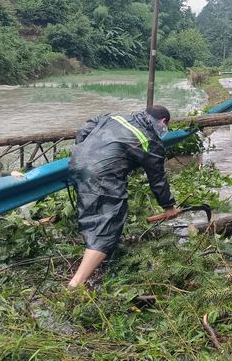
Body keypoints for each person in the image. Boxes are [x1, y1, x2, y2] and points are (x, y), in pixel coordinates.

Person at [68, 105, 179, 288]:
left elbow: (85, 128)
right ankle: (75, 285)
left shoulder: (116, 117)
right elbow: (157, 180)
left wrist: (87, 154)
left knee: (91, 216)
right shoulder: (150, 141)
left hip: (77, 163)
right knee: (108, 226)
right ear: (163, 122)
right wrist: (169, 207)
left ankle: (99, 260)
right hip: (103, 176)